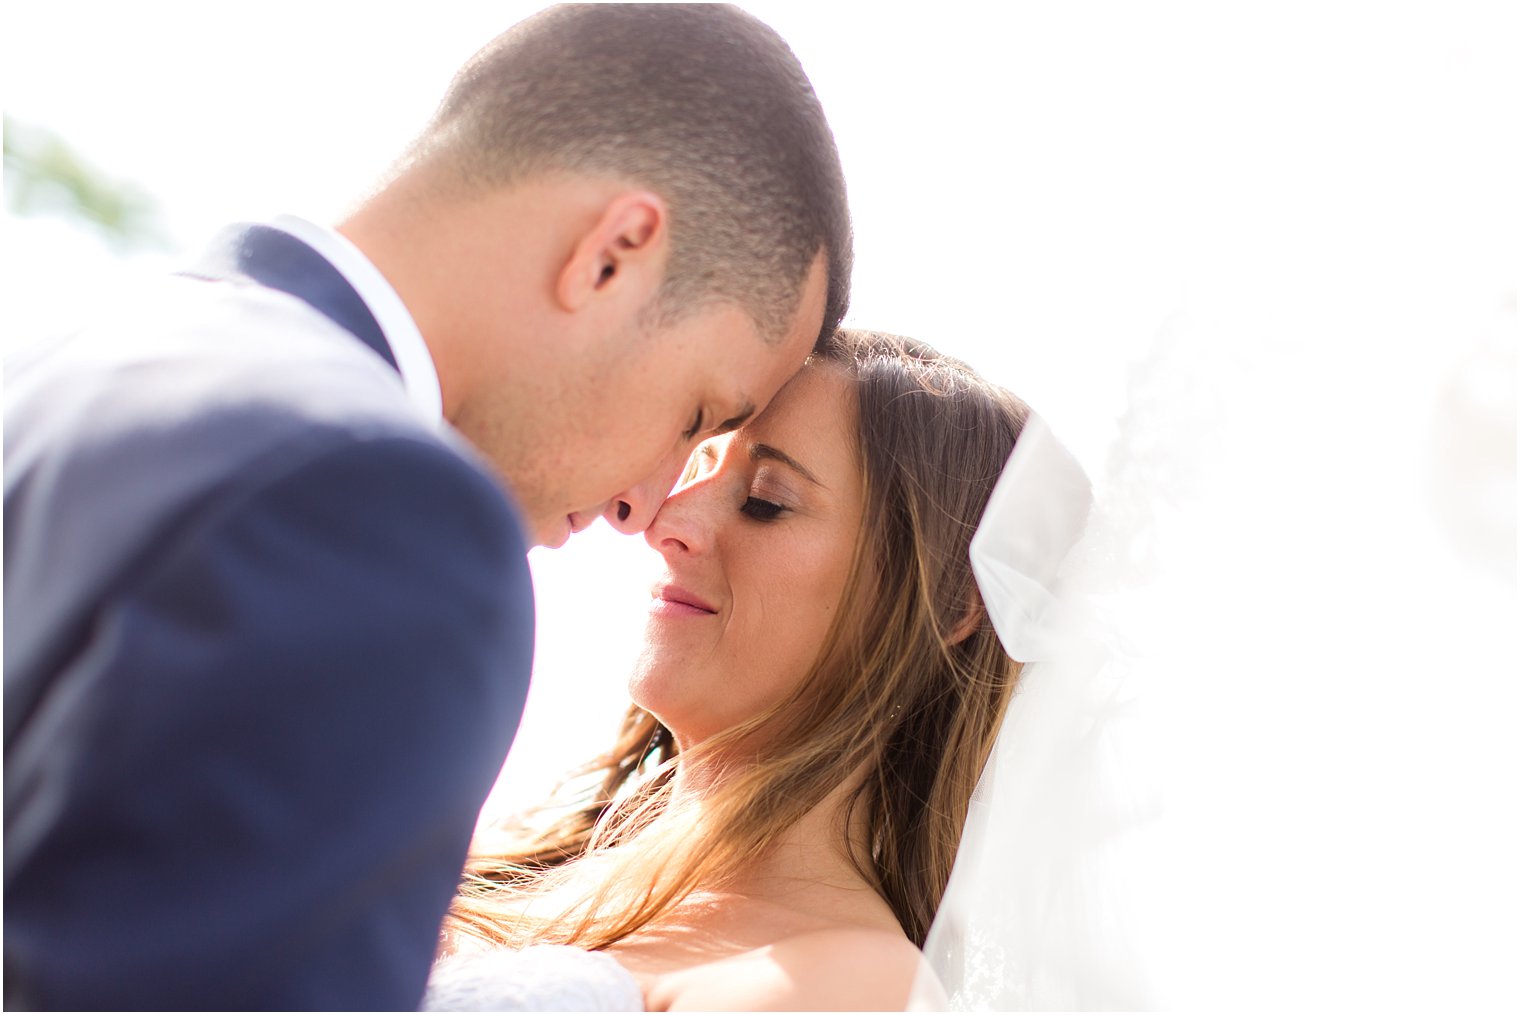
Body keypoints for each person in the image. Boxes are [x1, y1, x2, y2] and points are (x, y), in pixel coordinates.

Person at [2, 5, 850, 1010]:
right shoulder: (374, 512)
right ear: (612, 254)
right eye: (695, 414)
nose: (643, 502)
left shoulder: (81, 361)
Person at [422, 328, 1074, 1011]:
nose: (666, 518)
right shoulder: (514, 853)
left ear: (948, 603)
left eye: (765, 499)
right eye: (693, 467)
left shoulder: (848, 984)